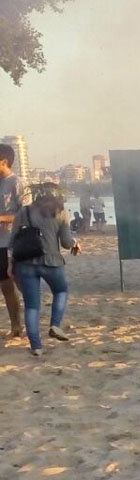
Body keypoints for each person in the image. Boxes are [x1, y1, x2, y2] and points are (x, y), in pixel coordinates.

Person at [9, 184, 80, 356]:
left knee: (32, 306)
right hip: (52, 262)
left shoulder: (24, 212)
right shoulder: (60, 212)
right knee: (61, 291)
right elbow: (65, 242)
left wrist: (11, 264)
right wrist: (75, 243)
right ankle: (55, 324)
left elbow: (13, 240)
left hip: (25, 264)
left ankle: (36, 347)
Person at [0, 144, 30, 338]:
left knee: (16, 285)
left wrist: (3, 218)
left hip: (10, 242)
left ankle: (22, 324)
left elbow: (27, 212)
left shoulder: (17, 182)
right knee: (4, 286)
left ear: (4, 161)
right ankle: (16, 326)